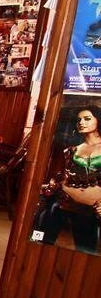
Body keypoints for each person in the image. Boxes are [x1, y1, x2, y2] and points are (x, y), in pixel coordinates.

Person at [34, 104, 101, 254]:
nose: (81, 122)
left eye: (87, 119)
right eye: (79, 120)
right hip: (61, 203)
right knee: (40, 242)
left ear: (98, 120)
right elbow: (62, 177)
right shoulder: (71, 150)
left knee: (85, 251)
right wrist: (53, 184)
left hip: (89, 210)